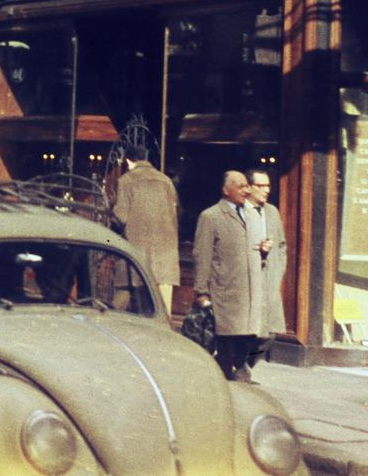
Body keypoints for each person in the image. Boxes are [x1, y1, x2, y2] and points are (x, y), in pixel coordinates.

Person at [192, 170, 271, 382]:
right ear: (226, 190)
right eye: (240, 186)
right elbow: (202, 255)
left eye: (247, 185)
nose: (246, 190)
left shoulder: (252, 215)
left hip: (248, 289)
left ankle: (237, 369)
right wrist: (201, 291)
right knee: (227, 336)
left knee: (250, 334)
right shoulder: (211, 216)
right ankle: (227, 373)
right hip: (224, 289)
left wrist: (264, 251)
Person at [111, 141, 180, 313]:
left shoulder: (126, 181)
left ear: (128, 161)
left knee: (124, 307)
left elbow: (120, 218)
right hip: (165, 258)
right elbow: (176, 213)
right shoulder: (166, 181)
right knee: (162, 313)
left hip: (136, 257)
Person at [246, 167, 288, 371]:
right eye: (261, 185)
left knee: (270, 332)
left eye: (268, 185)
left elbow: (281, 245)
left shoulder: (272, 212)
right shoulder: (240, 211)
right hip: (247, 279)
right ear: (248, 187)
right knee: (247, 329)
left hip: (269, 279)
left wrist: (278, 272)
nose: (266, 190)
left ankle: (247, 364)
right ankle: (239, 367)